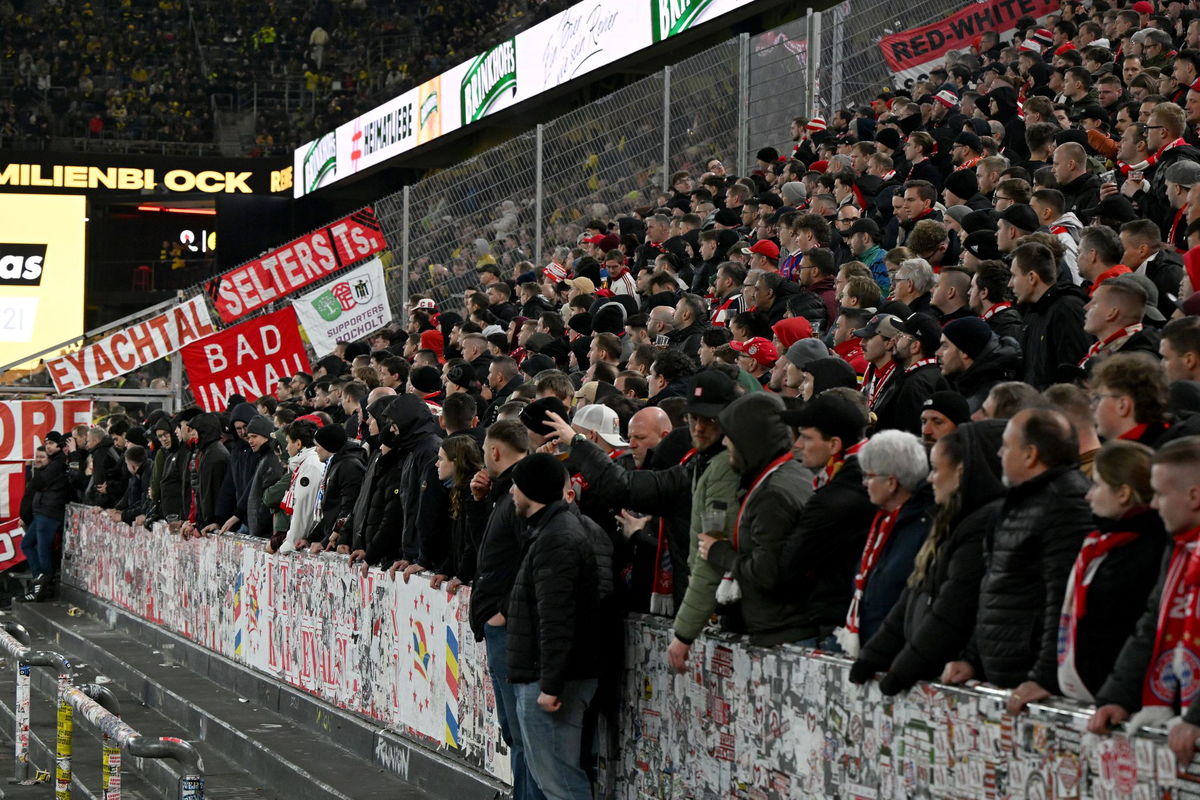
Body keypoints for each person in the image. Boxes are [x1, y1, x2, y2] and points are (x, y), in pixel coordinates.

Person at [1006, 441, 1167, 712]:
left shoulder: (1151, 551)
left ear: (1123, 493)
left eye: (1097, 486)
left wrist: (1116, 695)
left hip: (1120, 703)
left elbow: (1136, 633)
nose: (1088, 496)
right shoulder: (1100, 544)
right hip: (1093, 695)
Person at [942, 409, 1092, 691]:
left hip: (1032, 679)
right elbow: (996, 586)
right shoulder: (1019, 499)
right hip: (1005, 674)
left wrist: (1044, 677)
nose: (999, 453)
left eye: (1006, 445)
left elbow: (1062, 598)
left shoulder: (1066, 503)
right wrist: (972, 658)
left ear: (1030, 454)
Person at [850, 422, 1006, 694]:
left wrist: (903, 670)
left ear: (960, 472)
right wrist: (873, 655)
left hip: (948, 675)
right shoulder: (947, 520)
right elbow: (913, 593)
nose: (930, 479)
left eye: (936, 469)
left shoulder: (979, 525)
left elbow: (952, 611)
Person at [1088, 438, 1200, 767]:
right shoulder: (1179, 548)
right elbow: (1152, 625)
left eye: (1160, 494)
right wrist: (1117, 696)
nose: (1152, 505)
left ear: (1194, 496)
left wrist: (1196, 718)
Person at [506, 453, 602, 800]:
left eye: (516, 485)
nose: (511, 492)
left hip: (550, 680)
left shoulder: (556, 538)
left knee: (561, 782)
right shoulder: (549, 531)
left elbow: (557, 617)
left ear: (531, 490)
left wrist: (550, 685)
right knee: (553, 780)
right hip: (545, 675)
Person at [698, 393, 814, 645]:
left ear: (749, 440)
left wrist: (719, 552)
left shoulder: (772, 494)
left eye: (730, 436)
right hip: (790, 626)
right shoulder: (794, 473)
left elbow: (766, 573)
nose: (725, 442)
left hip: (783, 634)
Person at [781, 391, 877, 647]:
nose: (797, 444)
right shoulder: (862, 475)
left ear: (834, 445)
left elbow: (790, 564)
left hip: (838, 624)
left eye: (806, 437)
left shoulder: (837, 498)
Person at [833, 430, 933, 656]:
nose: (864, 483)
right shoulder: (883, 520)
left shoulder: (923, 528)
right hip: (871, 648)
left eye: (869, 476)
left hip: (898, 655)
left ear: (891, 482)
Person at [20, 442, 70, 601]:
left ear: (49, 459)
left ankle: (45, 587)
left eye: (42, 457)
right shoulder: (43, 472)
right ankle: (39, 579)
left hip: (49, 515)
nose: (38, 460)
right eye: (36, 457)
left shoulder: (53, 472)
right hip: (40, 514)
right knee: (26, 544)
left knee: (43, 552)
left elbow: (37, 486)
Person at [244, 416, 284, 540]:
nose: (250, 441)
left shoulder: (271, 460)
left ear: (267, 436)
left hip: (266, 534)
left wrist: (259, 524)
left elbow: (269, 501)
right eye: (249, 437)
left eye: (254, 436)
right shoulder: (264, 457)